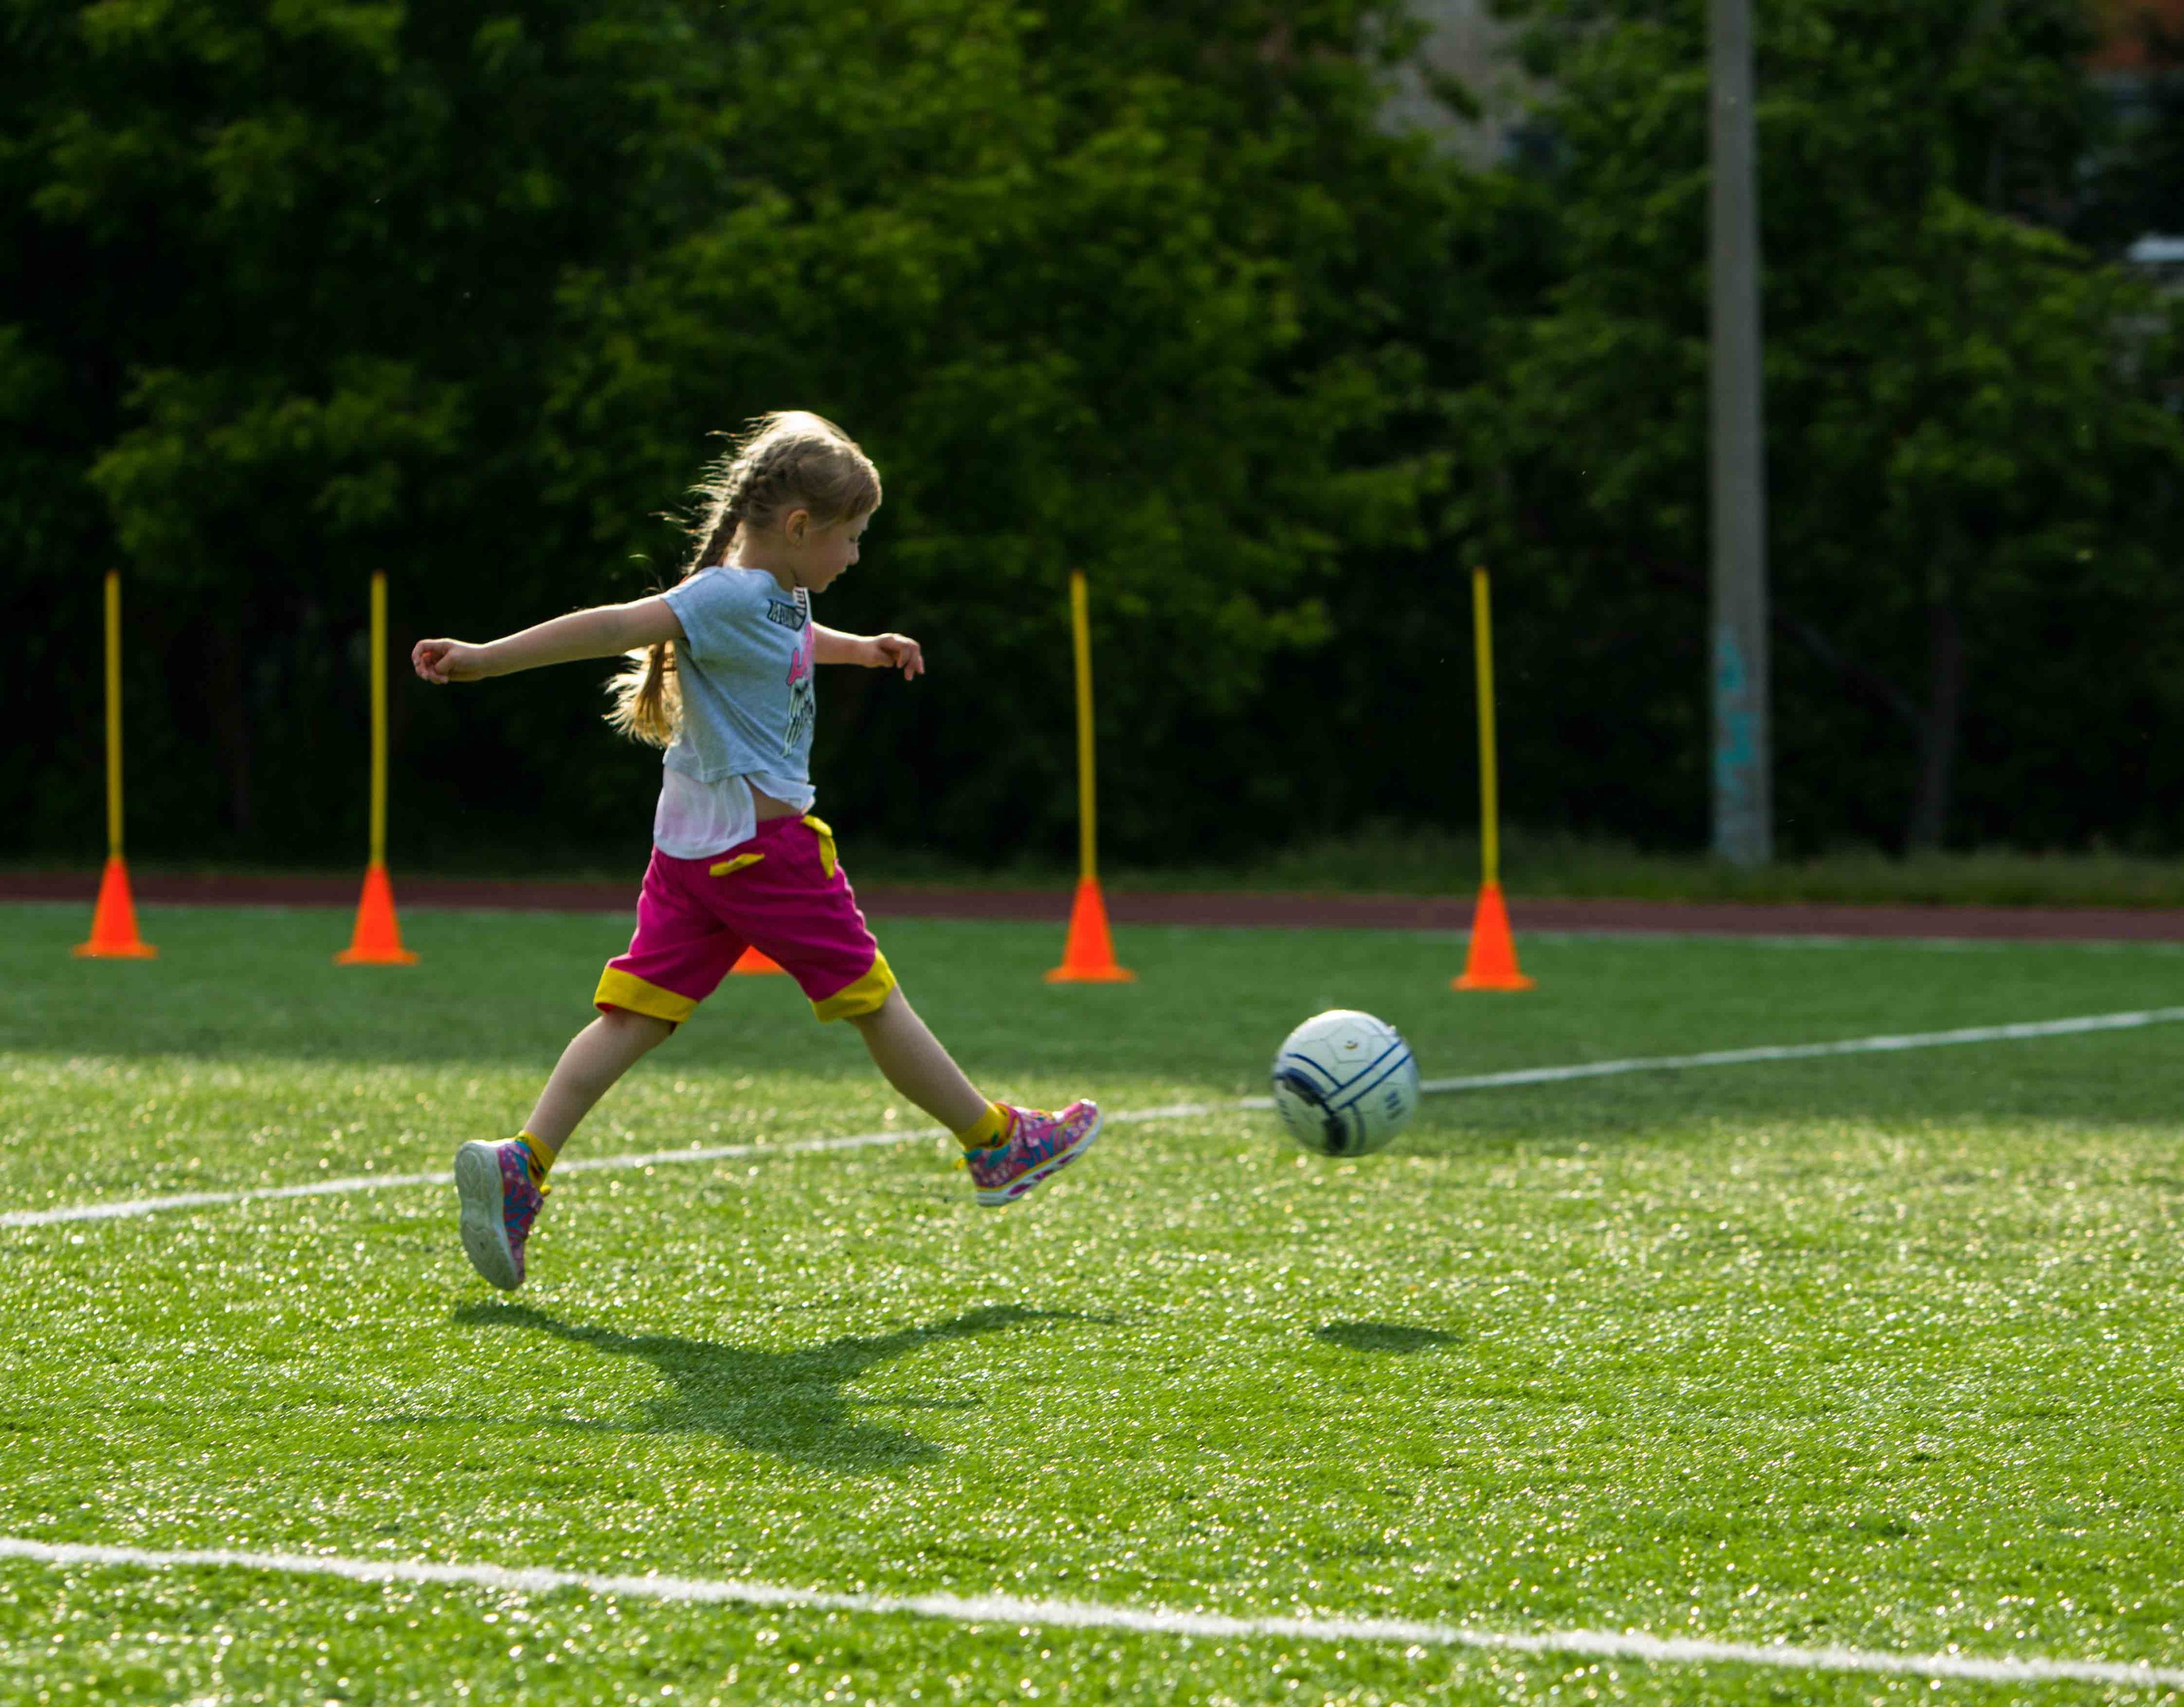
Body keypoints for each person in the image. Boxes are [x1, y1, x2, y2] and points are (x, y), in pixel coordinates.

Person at [410, 411, 1101, 1291]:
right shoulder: (726, 593)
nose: (854, 557)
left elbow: (791, 644)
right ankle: (997, 1144)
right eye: (850, 539)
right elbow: (614, 623)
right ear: (800, 527)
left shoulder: (776, 594)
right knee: (874, 1001)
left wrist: (861, 650)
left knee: (635, 1016)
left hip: (692, 852)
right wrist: (482, 660)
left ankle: (524, 1163)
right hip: (763, 851)